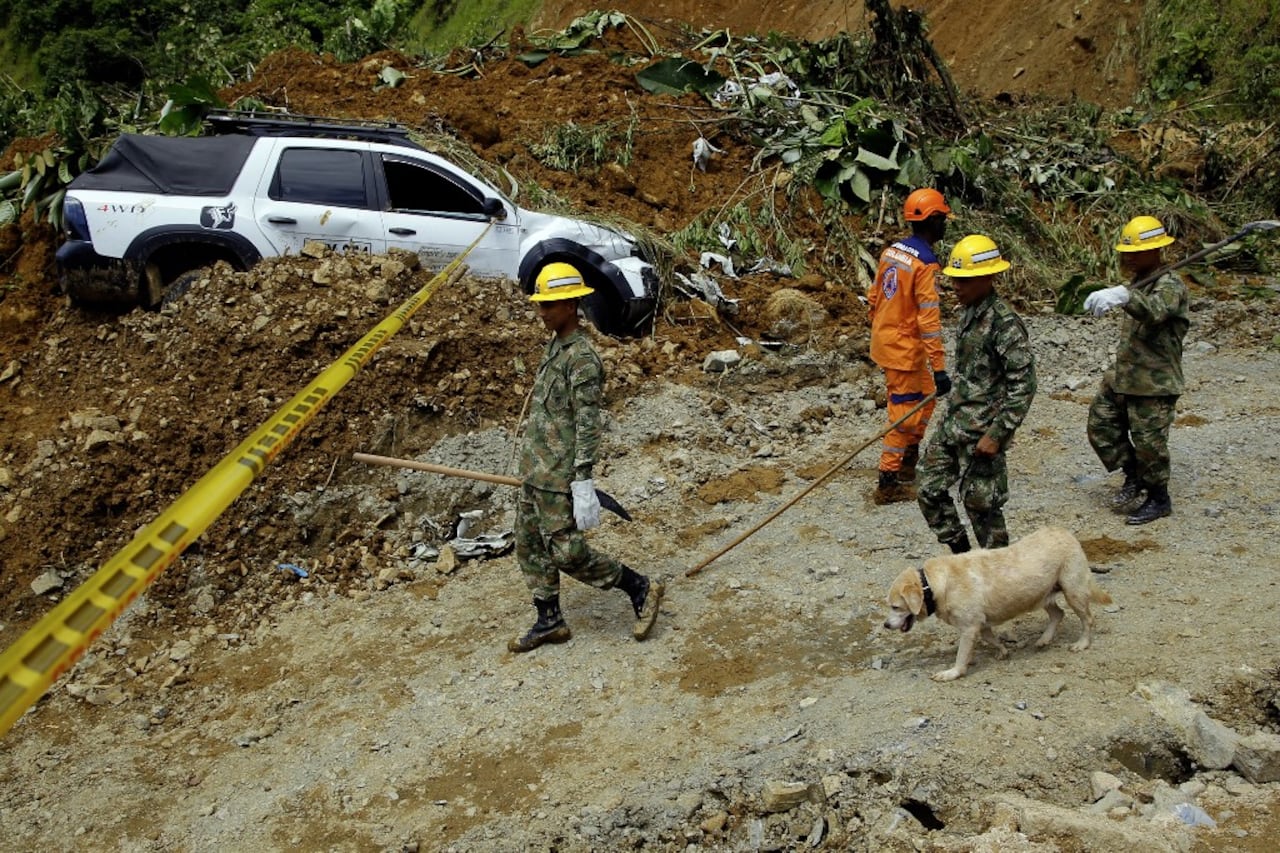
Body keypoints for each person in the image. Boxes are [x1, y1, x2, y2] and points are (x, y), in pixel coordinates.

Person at [508, 262, 663, 652]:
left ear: (572, 304)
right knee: (528, 543)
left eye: (550, 306)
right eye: (540, 305)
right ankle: (549, 620)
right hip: (535, 471)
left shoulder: (582, 359)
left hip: (559, 474)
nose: (542, 313)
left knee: (566, 551)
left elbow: (587, 423)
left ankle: (639, 587)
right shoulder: (555, 346)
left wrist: (582, 479)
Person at [917, 235, 1037, 553]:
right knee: (929, 487)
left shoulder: (1005, 324)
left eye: (965, 281)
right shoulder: (969, 312)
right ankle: (963, 556)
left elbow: (1023, 386)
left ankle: (1000, 577)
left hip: (983, 434)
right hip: (955, 424)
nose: (957, 287)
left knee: (982, 508)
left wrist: (997, 435)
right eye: (955, 280)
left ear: (988, 277)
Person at [1084, 215, 1189, 525]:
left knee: (1149, 444)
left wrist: (1125, 296)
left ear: (1156, 251)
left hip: (1154, 382)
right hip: (1125, 376)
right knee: (1101, 426)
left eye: (1135, 253)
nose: (1128, 259)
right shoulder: (1139, 282)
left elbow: (1155, 311)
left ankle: (1159, 498)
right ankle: (1134, 476)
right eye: (1125, 253)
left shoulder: (1170, 285)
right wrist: (1126, 293)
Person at [867, 188, 953, 504]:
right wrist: (941, 367)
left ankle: (907, 461)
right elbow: (929, 322)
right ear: (932, 220)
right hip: (903, 350)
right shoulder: (926, 265)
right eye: (942, 219)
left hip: (891, 343)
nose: (945, 225)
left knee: (926, 398)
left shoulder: (891, 252)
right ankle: (887, 483)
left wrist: (881, 328)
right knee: (903, 414)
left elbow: (874, 296)